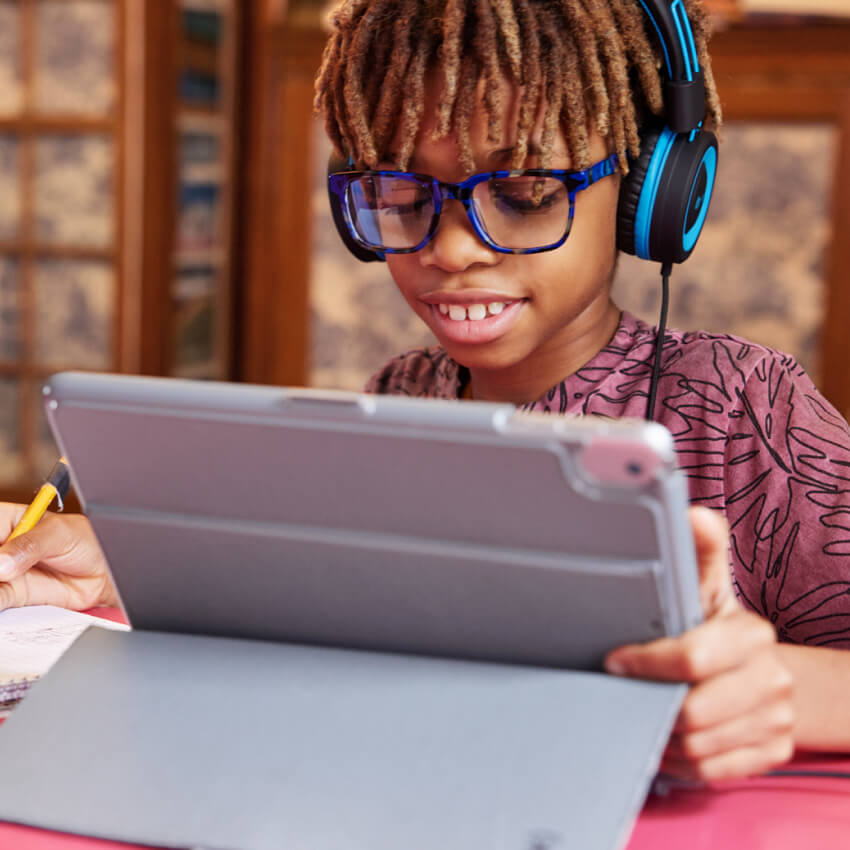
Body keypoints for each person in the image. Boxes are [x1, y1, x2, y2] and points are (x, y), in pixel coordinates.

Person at [1, 0, 849, 782]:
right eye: (400, 195)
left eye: (523, 195)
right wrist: (116, 569)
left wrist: (778, 687)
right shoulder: (402, 394)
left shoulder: (745, 407)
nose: (451, 249)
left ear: (644, 195)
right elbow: (328, 603)